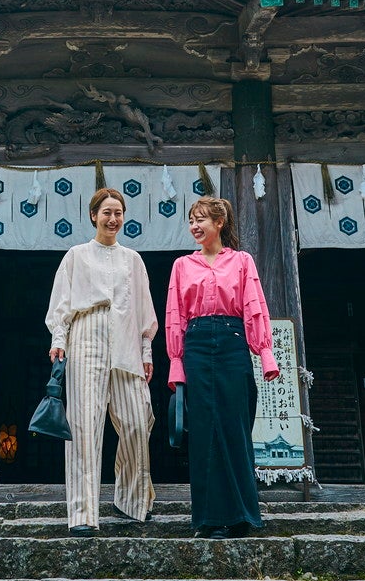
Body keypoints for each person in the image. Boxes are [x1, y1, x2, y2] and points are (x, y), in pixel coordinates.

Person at [44, 187, 158, 536]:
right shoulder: (76, 255)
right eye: (106, 212)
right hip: (86, 335)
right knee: (83, 427)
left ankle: (132, 500)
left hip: (125, 339)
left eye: (118, 212)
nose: (113, 218)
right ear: (94, 215)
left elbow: (143, 309)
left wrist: (146, 351)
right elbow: (61, 304)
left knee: (139, 422)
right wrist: (58, 340)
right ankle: (82, 513)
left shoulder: (133, 260)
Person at [165, 195, 279, 539]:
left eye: (201, 219)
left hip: (232, 344)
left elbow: (254, 307)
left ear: (220, 223)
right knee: (203, 433)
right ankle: (209, 518)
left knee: (234, 427)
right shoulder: (182, 265)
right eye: (191, 220)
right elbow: (175, 317)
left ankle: (242, 516)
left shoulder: (242, 261)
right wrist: (176, 365)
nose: (194, 226)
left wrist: (266, 354)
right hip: (197, 347)